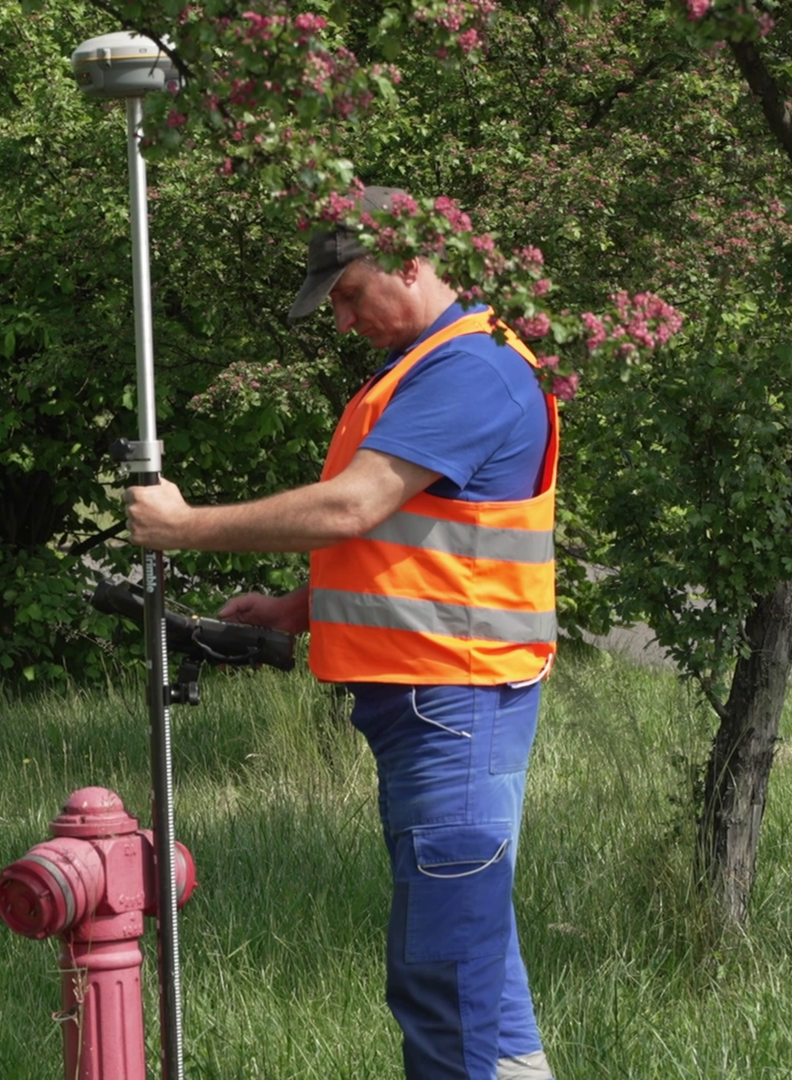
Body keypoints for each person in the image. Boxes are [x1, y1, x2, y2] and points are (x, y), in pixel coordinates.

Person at [124, 185, 557, 1080]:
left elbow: (355, 506)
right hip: (432, 706)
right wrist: (300, 607)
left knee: (445, 973)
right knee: (473, 961)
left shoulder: (471, 370)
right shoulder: (426, 365)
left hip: (456, 707)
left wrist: (185, 525)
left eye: (352, 293)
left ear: (410, 258)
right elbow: (418, 543)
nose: (344, 318)